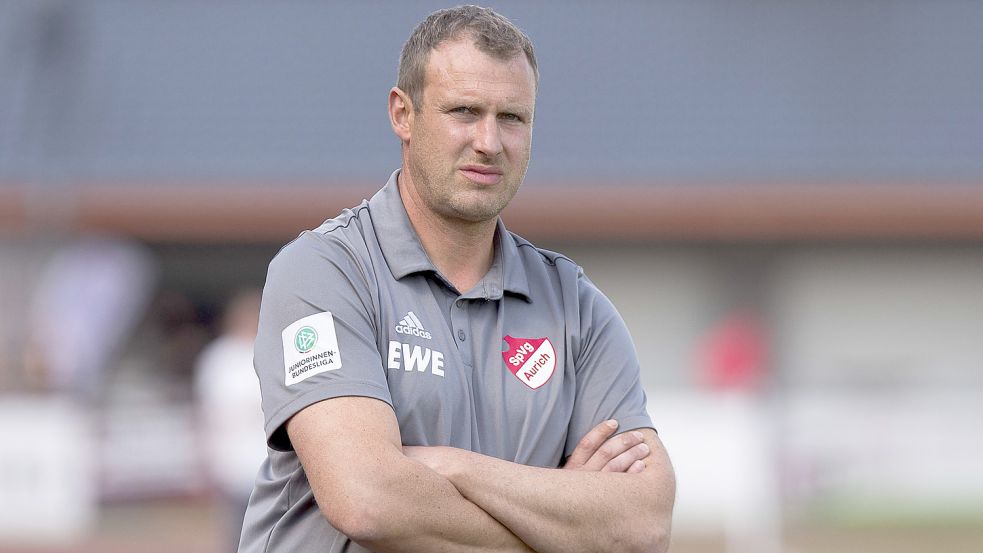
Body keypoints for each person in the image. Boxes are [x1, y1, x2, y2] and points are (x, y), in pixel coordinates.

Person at [239, 6, 675, 553]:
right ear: (403, 113)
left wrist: (453, 468)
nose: (490, 142)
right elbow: (367, 500)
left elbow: (644, 523)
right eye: (464, 111)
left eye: (513, 117)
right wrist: (565, 522)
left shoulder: (576, 308)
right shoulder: (325, 274)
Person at [193, 289, 267, 553]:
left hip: (268, 459)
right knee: (236, 531)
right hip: (233, 458)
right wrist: (206, 455)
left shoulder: (272, 351)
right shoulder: (220, 356)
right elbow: (208, 411)